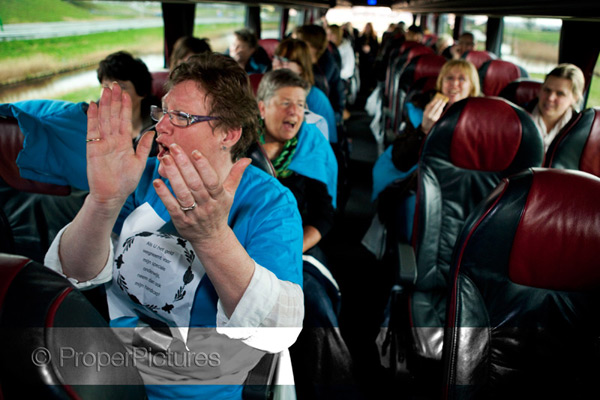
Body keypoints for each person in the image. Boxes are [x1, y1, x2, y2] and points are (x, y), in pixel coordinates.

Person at [44, 53, 304, 400]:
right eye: (162, 112)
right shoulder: (142, 178)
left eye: (180, 117)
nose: (161, 127)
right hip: (109, 367)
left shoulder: (268, 203)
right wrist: (103, 201)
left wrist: (211, 237)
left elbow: (278, 332)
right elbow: (76, 274)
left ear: (228, 132)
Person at [257, 69, 356, 400]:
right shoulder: (237, 146)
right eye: (285, 103)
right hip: (243, 247)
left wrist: (292, 248)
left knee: (314, 305)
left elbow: (325, 216)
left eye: (300, 104)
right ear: (261, 108)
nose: (294, 112)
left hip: (300, 247)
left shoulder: (310, 145)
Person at [369, 59, 480, 244]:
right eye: (449, 78)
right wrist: (424, 130)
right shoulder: (420, 109)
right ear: (441, 83)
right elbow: (401, 160)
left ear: (472, 87)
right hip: (423, 182)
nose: (454, 84)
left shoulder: (484, 119)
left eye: (462, 79)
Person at [273, 38, 337, 143]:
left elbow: (328, 142)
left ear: (301, 67)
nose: (277, 64)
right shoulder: (265, 92)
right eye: (276, 58)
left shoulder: (316, 98)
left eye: (285, 61)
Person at [97, 51, 160, 139]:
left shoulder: (160, 128)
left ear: (141, 92)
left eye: (121, 87)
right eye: (105, 86)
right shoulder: (90, 125)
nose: (110, 94)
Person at [293, 24, 345, 126]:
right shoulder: (295, 64)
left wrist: (333, 119)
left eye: (301, 43)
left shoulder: (326, 71)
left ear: (314, 46)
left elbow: (337, 101)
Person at [529, 63, 584, 151]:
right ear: (540, 89)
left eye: (560, 93)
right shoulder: (518, 117)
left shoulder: (581, 129)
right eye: (547, 90)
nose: (550, 98)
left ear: (575, 98)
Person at [357, 22, 379, 95]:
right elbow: (357, 47)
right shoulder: (361, 37)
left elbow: (377, 50)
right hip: (362, 60)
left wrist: (370, 50)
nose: (367, 29)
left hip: (370, 61)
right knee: (362, 76)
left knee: (369, 76)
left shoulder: (374, 38)